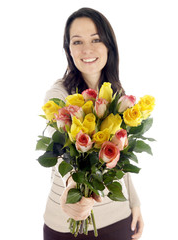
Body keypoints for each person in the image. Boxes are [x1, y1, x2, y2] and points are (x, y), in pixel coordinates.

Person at [43, 7, 144, 240]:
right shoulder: (57, 95)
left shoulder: (117, 96)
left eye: (96, 39)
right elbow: (56, 147)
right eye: (77, 42)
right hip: (64, 225)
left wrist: (135, 203)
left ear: (109, 44)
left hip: (118, 219)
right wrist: (71, 187)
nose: (87, 49)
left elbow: (119, 158)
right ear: (69, 50)